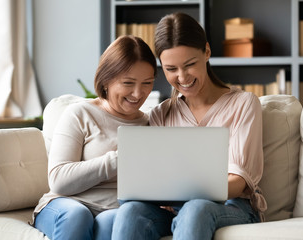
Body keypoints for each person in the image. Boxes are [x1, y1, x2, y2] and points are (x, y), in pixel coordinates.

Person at [111, 12, 267, 240]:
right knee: (130, 211)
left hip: (234, 206)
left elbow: (238, 182)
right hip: (176, 209)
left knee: (196, 208)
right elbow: (156, 178)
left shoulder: (243, 104)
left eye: (190, 64)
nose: (182, 77)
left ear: (207, 51)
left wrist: (186, 193)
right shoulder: (161, 113)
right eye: (171, 69)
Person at [32, 35, 157, 240]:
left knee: (114, 222)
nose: (138, 93)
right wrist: (118, 159)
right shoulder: (80, 113)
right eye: (128, 83)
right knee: (77, 215)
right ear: (106, 80)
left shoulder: (152, 122)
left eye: (147, 83)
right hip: (66, 204)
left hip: (114, 210)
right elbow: (59, 180)